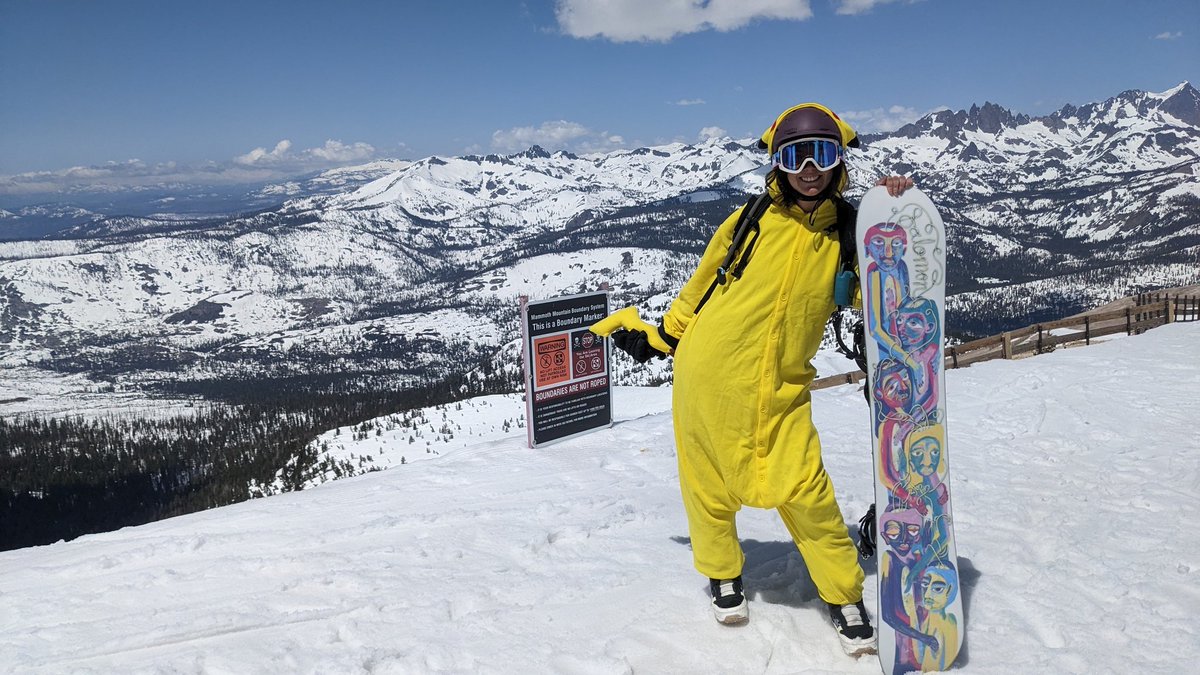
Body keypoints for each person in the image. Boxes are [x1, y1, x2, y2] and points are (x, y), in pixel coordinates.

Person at [590, 102, 914, 656]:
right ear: (778, 163)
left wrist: (895, 215)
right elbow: (700, 287)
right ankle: (723, 574)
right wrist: (662, 338)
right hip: (710, 374)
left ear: (840, 163)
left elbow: (879, 290)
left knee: (808, 492)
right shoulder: (748, 221)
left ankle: (841, 594)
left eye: (822, 154)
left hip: (784, 386)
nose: (808, 168)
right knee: (708, 488)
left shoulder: (850, 232)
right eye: (795, 156)